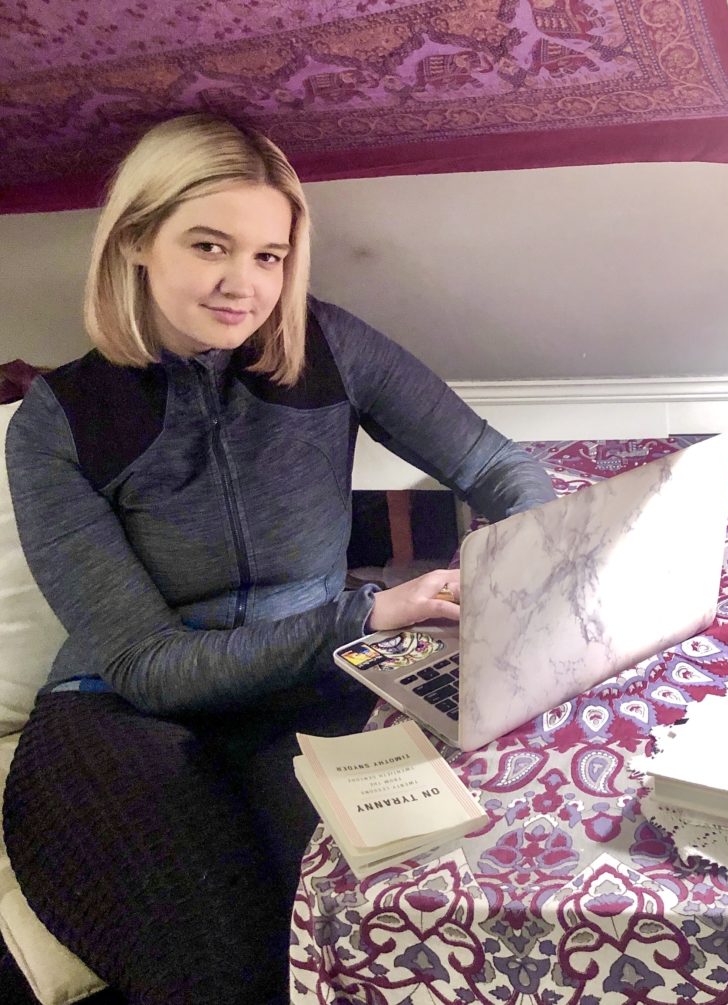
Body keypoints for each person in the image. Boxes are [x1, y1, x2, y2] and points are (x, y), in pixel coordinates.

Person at [3, 114, 556, 1004]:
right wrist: (365, 614)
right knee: (230, 972)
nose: (243, 285)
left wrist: (533, 556)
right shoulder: (55, 423)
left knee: (413, 929)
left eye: (269, 256)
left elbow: (495, 464)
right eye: (210, 246)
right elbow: (152, 666)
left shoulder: (332, 345)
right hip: (122, 716)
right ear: (137, 239)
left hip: (310, 689)